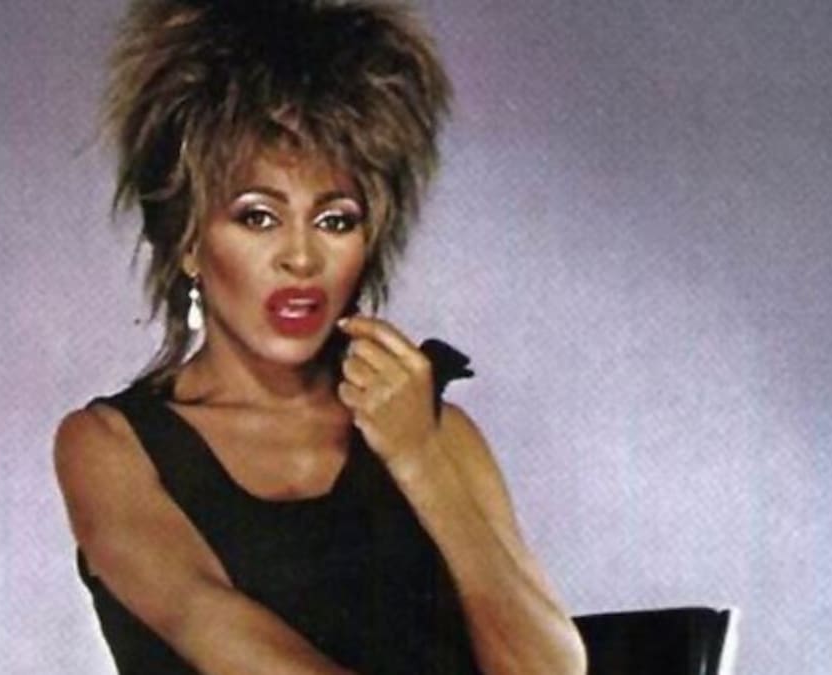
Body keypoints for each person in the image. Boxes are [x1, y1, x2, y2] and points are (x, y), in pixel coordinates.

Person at [53, 1, 586, 673]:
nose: (301, 258)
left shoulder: (437, 432)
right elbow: (217, 630)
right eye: (258, 217)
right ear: (187, 241)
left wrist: (420, 459)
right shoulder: (110, 446)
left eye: (335, 220)